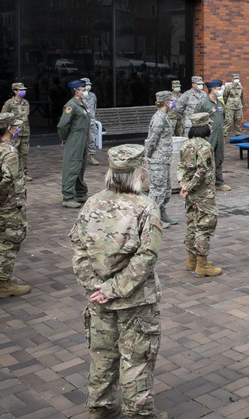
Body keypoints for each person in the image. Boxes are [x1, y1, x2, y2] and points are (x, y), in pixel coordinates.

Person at [70, 144, 167, 419]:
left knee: (102, 355)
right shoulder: (146, 207)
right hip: (134, 300)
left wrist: (95, 288)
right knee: (137, 357)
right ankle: (138, 414)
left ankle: (99, 408)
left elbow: (78, 248)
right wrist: (114, 289)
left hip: (98, 298)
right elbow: (147, 256)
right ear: (138, 173)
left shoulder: (93, 202)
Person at [0, 112, 32, 299]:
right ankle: (4, 283)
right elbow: (8, 180)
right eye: (15, 126)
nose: (18, 129)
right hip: (8, 205)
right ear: (8, 129)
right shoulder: (8, 151)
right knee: (8, 242)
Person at [177, 112, 221, 277]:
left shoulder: (186, 144)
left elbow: (180, 168)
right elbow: (202, 171)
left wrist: (183, 185)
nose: (211, 126)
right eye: (209, 124)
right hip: (203, 193)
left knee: (191, 223)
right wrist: (188, 187)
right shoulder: (204, 146)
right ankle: (202, 265)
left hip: (191, 194)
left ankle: (192, 260)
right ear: (204, 127)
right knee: (204, 226)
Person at [144, 91, 178, 226]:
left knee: (165, 189)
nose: (173, 103)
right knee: (157, 190)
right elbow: (152, 139)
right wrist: (148, 154)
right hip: (158, 159)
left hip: (164, 159)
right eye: (171, 101)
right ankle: (152, 219)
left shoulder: (164, 116)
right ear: (166, 102)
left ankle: (162, 214)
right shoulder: (159, 118)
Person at [57, 79, 91, 208]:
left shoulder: (81, 104)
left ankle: (80, 192)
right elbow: (62, 125)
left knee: (80, 165)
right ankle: (68, 196)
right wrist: (64, 137)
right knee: (72, 165)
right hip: (75, 137)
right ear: (76, 92)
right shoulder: (71, 105)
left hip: (82, 137)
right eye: (83, 90)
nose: (85, 92)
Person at [193, 79, 230, 191]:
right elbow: (195, 118)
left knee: (219, 157)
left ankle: (219, 182)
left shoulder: (219, 103)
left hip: (219, 135)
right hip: (208, 135)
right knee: (206, 158)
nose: (221, 91)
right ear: (212, 90)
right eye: (219, 89)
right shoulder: (203, 103)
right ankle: (204, 182)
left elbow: (222, 118)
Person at [1, 82, 32, 181]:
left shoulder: (26, 102)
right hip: (14, 132)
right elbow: (3, 116)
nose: (23, 92)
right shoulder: (9, 103)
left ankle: (24, 173)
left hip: (25, 131)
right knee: (13, 153)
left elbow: (27, 116)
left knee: (24, 153)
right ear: (15, 91)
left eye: (24, 90)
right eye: (20, 90)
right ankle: (12, 173)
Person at [82, 77, 100, 166]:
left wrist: (93, 119)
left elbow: (94, 108)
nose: (88, 86)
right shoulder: (79, 96)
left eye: (89, 85)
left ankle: (92, 157)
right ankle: (81, 158)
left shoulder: (93, 95)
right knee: (82, 141)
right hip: (82, 122)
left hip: (91, 121)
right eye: (86, 85)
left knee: (92, 139)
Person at [222, 73, 244, 138]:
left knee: (238, 120)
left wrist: (241, 104)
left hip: (238, 106)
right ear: (232, 79)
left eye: (237, 78)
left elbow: (242, 97)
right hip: (230, 107)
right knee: (228, 121)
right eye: (235, 79)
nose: (236, 80)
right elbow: (225, 96)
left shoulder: (240, 87)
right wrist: (228, 104)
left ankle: (238, 134)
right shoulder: (228, 87)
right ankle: (224, 136)